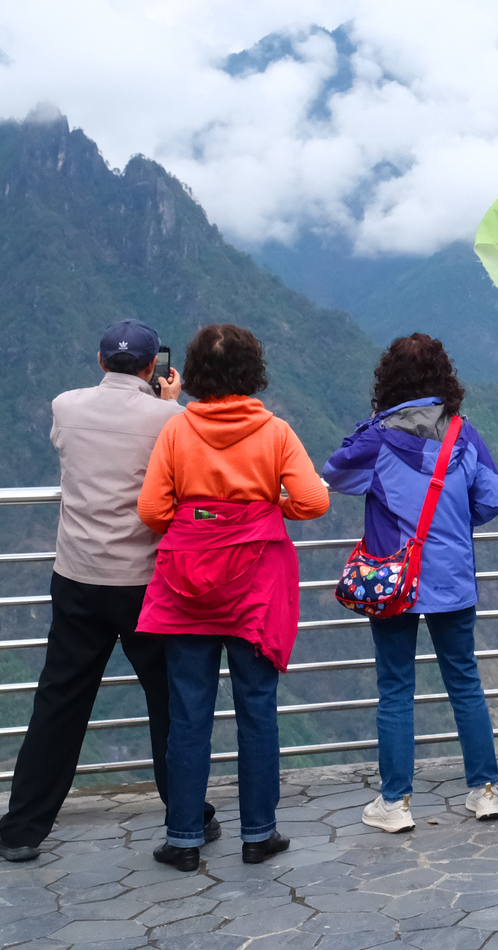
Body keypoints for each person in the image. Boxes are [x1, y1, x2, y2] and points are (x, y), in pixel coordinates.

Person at [0, 321, 188, 862]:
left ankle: (23, 829)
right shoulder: (170, 418)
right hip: (145, 582)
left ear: (100, 361)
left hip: (77, 575)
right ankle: (188, 815)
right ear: (153, 368)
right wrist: (167, 401)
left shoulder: (66, 406)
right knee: (168, 700)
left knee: (60, 700)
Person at [136, 324, 328, 870]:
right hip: (255, 585)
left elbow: (152, 511)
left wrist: (200, 520)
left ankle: (183, 839)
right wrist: (265, 512)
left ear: (194, 373)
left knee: (188, 712)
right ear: (252, 371)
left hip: (186, 583)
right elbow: (313, 501)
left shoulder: (177, 431)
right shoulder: (275, 432)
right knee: (257, 707)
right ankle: (258, 834)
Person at [324, 333, 498, 832]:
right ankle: (484, 791)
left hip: (393, 582)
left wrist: (370, 428)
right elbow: (491, 500)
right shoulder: (464, 435)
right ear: (443, 378)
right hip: (452, 579)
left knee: (396, 688)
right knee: (465, 682)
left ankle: (395, 803)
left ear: (388, 382)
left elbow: (334, 473)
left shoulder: (377, 438)